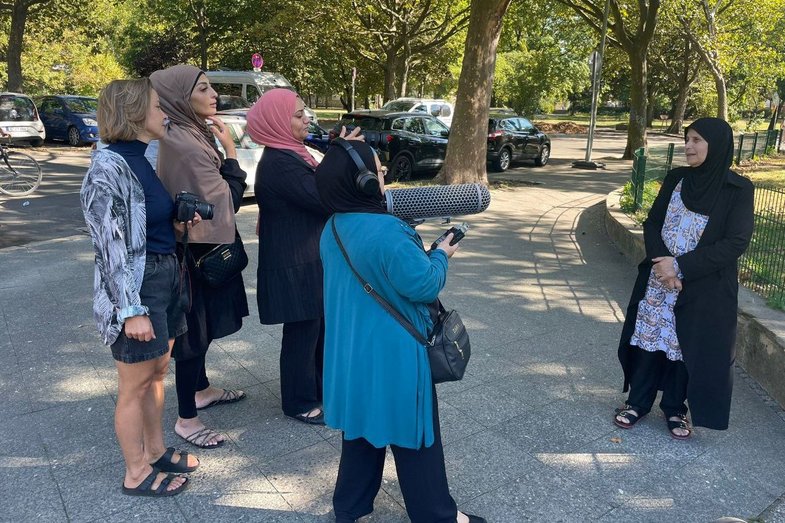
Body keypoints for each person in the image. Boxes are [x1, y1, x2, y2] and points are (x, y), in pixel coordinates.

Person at [316, 140, 486, 523]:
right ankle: (438, 517)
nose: (384, 175)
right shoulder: (389, 232)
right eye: (378, 170)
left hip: (351, 349)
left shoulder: (333, 227)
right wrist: (442, 252)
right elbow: (424, 285)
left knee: (361, 431)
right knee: (415, 437)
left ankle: (350, 510)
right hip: (394, 353)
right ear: (362, 183)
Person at [80, 78, 199, 496]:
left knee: (157, 373)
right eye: (156, 106)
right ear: (133, 113)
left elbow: (141, 224)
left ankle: (156, 451)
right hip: (137, 286)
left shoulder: (141, 157)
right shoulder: (106, 167)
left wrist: (177, 221)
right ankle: (136, 473)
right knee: (134, 384)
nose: (164, 113)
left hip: (164, 274)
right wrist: (130, 309)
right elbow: (108, 246)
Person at [615, 117, 754, 438]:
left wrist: (680, 268)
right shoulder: (677, 179)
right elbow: (652, 223)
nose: (688, 146)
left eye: (696, 140)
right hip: (659, 283)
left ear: (716, 145)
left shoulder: (738, 189)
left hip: (700, 288)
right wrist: (662, 265)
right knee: (650, 343)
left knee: (684, 347)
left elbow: (736, 242)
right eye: (687, 139)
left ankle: (675, 409)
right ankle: (637, 402)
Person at [246, 88, 360, 424]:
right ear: (278, 122)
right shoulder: (281, 162)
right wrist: (344, 152)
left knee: (318, 326)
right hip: (294, 264)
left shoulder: (295, 153)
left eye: (304, 112)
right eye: (297, 115)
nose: (306, 118)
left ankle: (320, 388)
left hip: (307, 258)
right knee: (303, 330)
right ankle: (297, 400)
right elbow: (324, 197)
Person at [150, 65, 249, 449]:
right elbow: (227, 200)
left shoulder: (187, 130)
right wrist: (231, 151)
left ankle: (202, 389)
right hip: (196, 253)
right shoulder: (184, 141)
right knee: (194, 331)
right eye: (204, 88)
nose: (214, 96)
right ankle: (186, 419)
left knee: (201, 328)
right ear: (179, 96)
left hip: (196, 247)